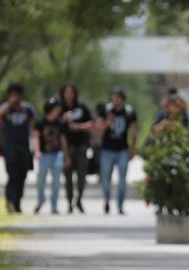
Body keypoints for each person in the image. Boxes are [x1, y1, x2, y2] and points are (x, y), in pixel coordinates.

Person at [0, 82, 38, 213]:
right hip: (10, 146)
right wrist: (9, 104)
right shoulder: (6, 108)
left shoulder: (27, 108)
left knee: (22, 175)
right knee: (12, 174)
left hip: (23, 146)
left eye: (16, 95)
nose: (15, 97)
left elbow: (34, 125)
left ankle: (17, 203)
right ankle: (10, 201)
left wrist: (35, 144)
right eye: (12, 95)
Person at [96, 87, 138, 215]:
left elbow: (134, 132)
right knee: (105, 178)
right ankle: (107, 200)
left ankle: (120, 205)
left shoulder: (129, 112)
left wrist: (133, 149)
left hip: (122, 150)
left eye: (118, 97)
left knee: (122, 180)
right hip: (107, 149)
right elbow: (98, 129)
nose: (115, 100)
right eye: (113, 97)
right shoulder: (106, 111)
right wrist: (107, 124)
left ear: (123, 99)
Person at [33, 98, 71, 214]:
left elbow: (63, 140)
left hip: (57, 154)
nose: (59, 109)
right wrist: (37, 151)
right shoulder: (40, 122)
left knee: (56, 181)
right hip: (44, 154)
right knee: (41, 180)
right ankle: (41, 199)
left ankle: (54, 205)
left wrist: (66, 155)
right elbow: (36, 137)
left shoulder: (60, 123)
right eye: (56, 107)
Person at [59, 83, 93, 213]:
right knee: (67, 175)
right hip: (66, 144)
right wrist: (63, 119)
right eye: (66, 92)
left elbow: (91, 123)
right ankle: (69, 202)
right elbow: (56, 126)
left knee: (82, 174)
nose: (69, 95)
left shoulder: (81, 106)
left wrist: (78, 127)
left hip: (80, 145)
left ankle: (79, 199)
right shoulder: (60, 108)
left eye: (71, 92)